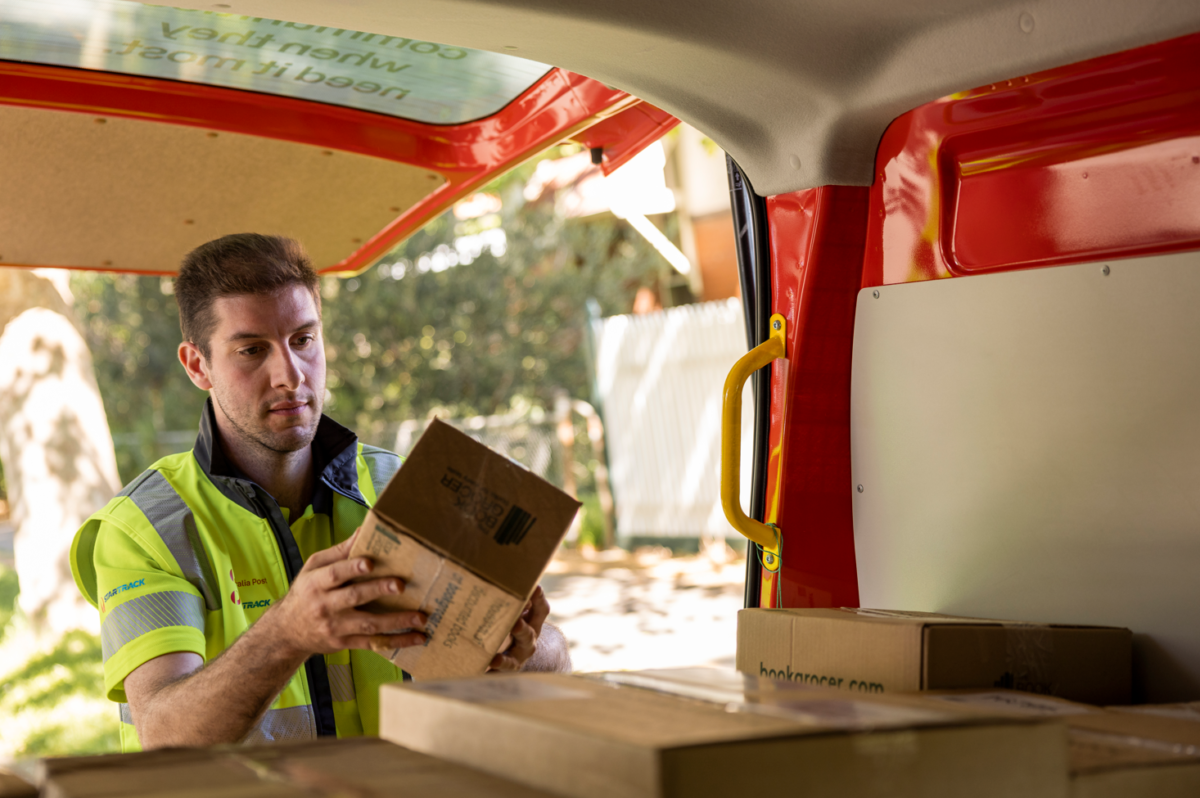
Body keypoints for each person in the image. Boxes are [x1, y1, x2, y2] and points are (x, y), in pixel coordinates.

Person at [71, 234, 571, 752]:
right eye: (251, 350)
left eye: (303, 340)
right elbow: (163, 734)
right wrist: (287, 632)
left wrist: (519, 651)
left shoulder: (403, 485)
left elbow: (555, 660)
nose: (289, 375)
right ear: (198, 365)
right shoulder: (142, 529)